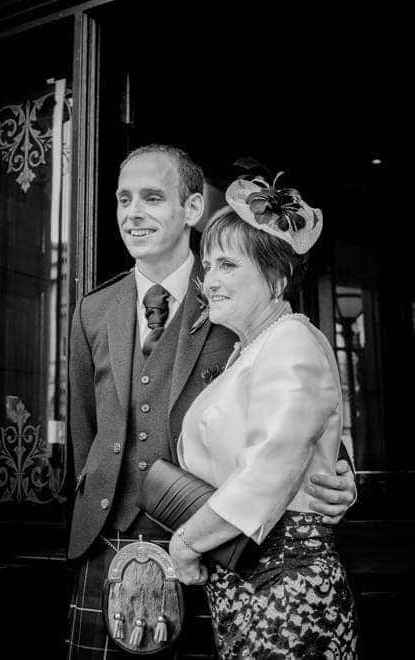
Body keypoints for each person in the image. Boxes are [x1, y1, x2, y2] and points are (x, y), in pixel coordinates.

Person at [66, 145, 358, 658]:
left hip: (218, 548)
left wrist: (338, 469)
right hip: (109, 539)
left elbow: (297, 412)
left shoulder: (238, 298)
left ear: (194, 210)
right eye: (123, 199)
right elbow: (85, 432)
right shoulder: (93, 310)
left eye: (152, 198)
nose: (133, 213)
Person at [168, 177, 358, 656]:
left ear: (275, 280)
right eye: (208, 265)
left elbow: (269, 465)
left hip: (286, 587)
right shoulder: (249, 349)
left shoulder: (290, 340)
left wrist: (188, 542)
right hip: (245, 583)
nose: (209, 280)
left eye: (227, 265)